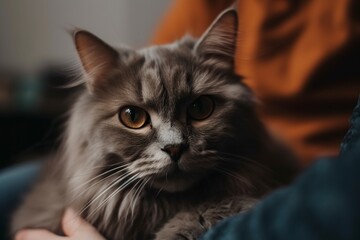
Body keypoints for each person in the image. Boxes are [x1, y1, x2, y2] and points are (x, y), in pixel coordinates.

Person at [5, 0, 360, 239]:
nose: (174, 143)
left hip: (311, 158)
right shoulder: (204, 4)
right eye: (134, 116)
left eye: (200, 109)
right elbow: (153, 70)